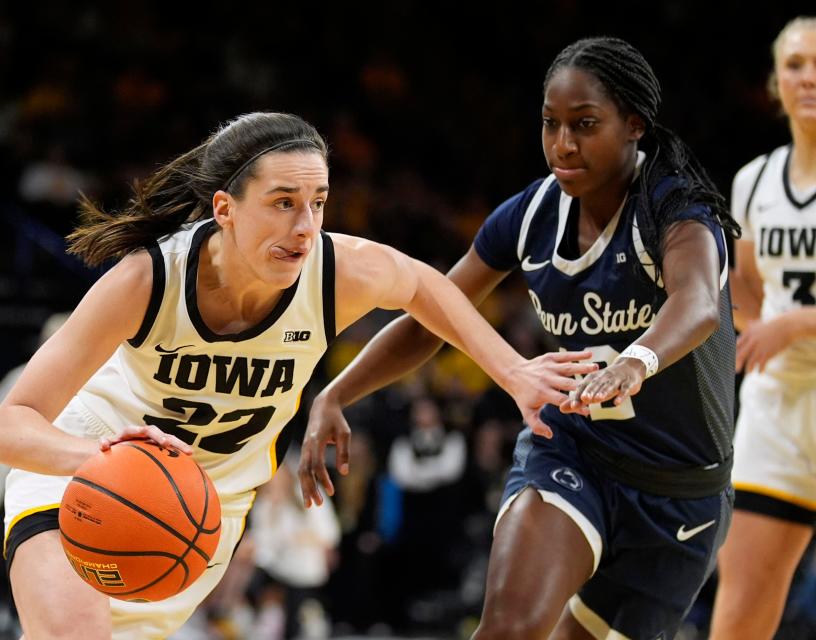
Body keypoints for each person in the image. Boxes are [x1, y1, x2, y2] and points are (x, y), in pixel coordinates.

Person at [0, 112, 595, 639]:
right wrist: (95, 460)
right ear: (224, 208)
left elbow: (423, 285)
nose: (305, 227)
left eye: (318, 203)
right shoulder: (148, 280)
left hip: (204, 503)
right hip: (87, 468)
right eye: (283, 204)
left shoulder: (335, 272)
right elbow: (9, 427)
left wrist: (513, 372)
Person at [299, 38, 741, 639]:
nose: (563, 144)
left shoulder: (678, 209)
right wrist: (337, 394)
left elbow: (697, 304)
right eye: (550, 124)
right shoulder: (530, 214)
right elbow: (434, 315)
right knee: (507, 628)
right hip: (575, 453)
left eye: (585, 125)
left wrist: (637, 360)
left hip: (678, 493)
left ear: (634, 125)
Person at [710, 17, 816, 640]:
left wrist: (797, 322)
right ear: (777, 82)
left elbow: (780, 314)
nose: (809, 77)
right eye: (796, 64)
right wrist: (752, 331)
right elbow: (745, 284)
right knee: (740, 616)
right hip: (778, 408)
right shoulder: (754, 181)